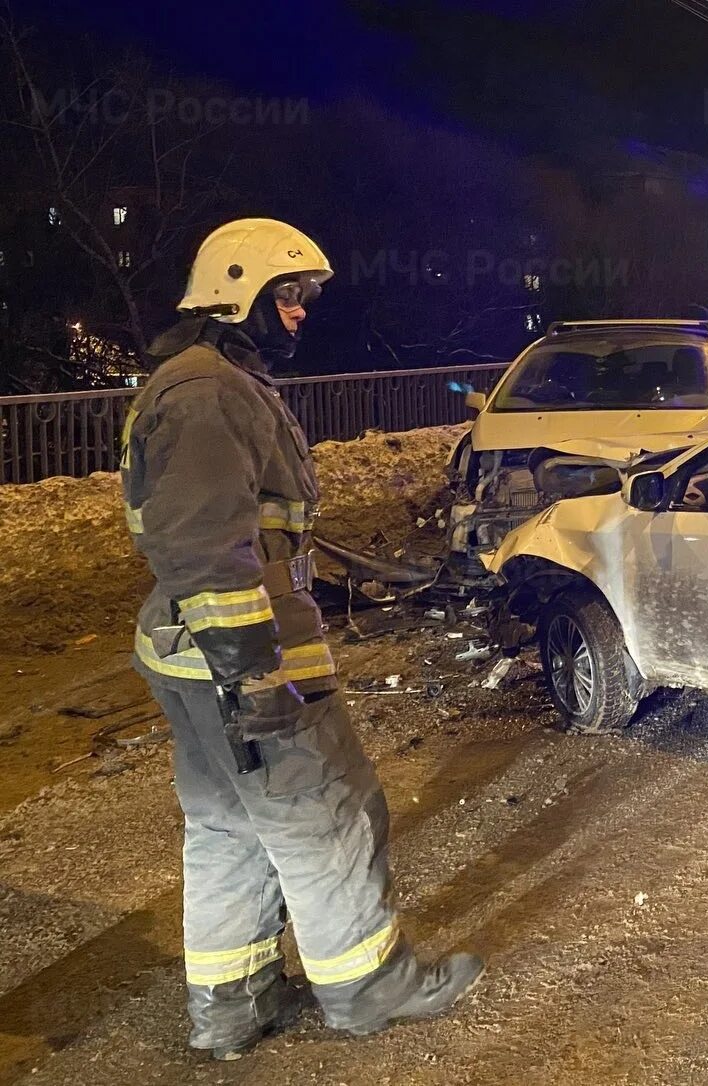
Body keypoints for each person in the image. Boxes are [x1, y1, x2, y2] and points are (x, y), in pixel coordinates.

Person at [122, 219, 483, 1060]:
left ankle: (231, 1006)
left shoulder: (201, 382)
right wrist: (252, 674)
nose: (298, 313)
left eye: (302, 299)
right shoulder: (209, 394)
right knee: (328, 813)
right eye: (285, 296)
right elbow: (204, 541)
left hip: (188, 654)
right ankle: (367, 988)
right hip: (236, 658)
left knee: (229, 828)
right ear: (234, 293)